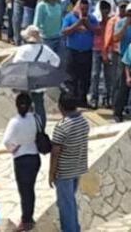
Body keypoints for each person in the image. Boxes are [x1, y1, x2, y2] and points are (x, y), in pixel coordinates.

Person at [49, 93, 90, 232]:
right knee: (70, 201)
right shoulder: (83, 122)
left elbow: (55, 153)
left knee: (66, 205)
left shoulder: (62, 126)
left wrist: (51, 173)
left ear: (61, 107)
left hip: (64, 172)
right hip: (77, 168)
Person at [2, 92, 41, 232]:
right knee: (30, 189)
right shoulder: (36, 118)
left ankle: (26, 220)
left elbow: (6, 141)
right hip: (35, 157)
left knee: (24, 191)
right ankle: (29, 216)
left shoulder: (15, 122)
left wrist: (14, 148)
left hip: (21, 158)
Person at [12, 26, 61, 130]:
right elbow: (56, 60)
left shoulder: (23, 50)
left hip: (26, 82)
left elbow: (16, 64)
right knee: (39, 106)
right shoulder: (45, 49)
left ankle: (27, 127)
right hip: (40, 81)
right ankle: (41, 128)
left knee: (25, 105)